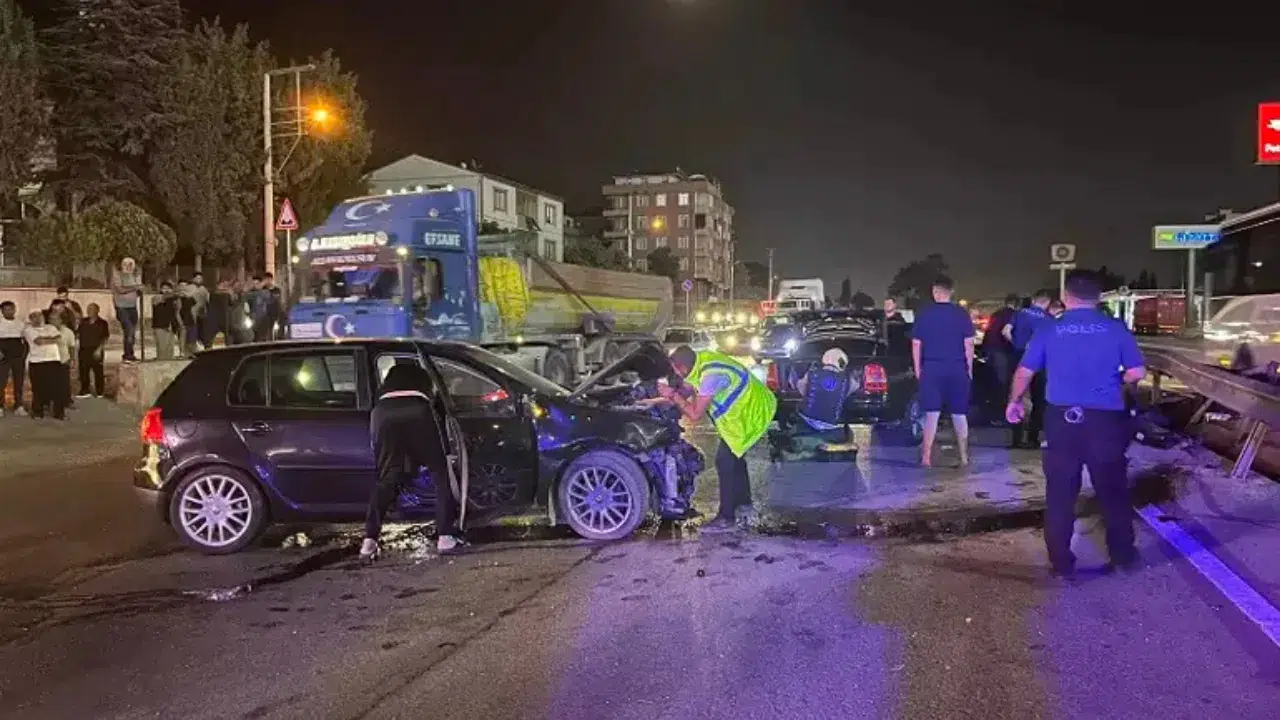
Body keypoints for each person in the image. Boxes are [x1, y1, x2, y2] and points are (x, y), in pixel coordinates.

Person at [1007, 270, 1145, 577]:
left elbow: (1025, 371)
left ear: (1065, 296)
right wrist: (1118, 380)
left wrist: (1014, 401)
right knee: (1112, 490)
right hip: (1105, 420)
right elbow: (1137, 372)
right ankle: (1122, 555)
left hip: (1062, 420)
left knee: (1060, 494)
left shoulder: (1049, 329)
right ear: (1098, 298)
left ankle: (1061, 561)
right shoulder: (1115, 328)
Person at [661, 345, 777, 533]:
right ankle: (744, 504)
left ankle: (726, 518)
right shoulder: (701, 360)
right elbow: (690, 387)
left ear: (682, 367)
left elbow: (695, 413)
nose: (675, 374)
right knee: (735, 457)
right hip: (751, 406)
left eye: (675, 370)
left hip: (751, 414)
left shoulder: (711, 377)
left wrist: (673, 395)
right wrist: (670, 396)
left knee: (724, 462)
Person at [361, 364, 464, 560]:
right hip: (418, 412)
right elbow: (441, 411)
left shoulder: (385, 389)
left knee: (386, 480)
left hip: (382, 414)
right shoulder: (423, 383)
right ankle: (445, 536)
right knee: (440, 475)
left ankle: (369, 539)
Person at [910, 275, 975, 467]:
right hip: (957, 367)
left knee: (931, 414)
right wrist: (969, 369)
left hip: (932, 368)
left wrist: (918, 369)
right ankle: (964, 457)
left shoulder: (925, 314)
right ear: (951, 292)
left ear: (934, 292)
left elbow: (916, 344)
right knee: (959, 414)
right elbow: (969, 344)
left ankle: (926, 458)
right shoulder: (961, 314)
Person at [1004, 289, 1054, 448]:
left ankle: (1016, 439)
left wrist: (1016, 344)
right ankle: (1033, 438)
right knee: (1039, 400)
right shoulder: (1048, 319)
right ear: (1047, 303)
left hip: (1018, 357)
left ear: (1033, 300)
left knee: (1016, 396)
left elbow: (1005, 331)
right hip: (1040, 362)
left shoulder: (1019, 314)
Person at [24, 310, 65, 420]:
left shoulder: (51, 327)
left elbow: (58, 339)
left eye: (39, 316)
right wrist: (51, 339)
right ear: (31, 319)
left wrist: (46, 339)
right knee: (38, 388)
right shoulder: (29, 330)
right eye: (34, 316)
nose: (37, 318)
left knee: (57, 388)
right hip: (37, 362)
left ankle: (59, 413)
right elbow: (39, 342)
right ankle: (38, 412)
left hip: (53, 360)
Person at [983, 294, 1021, 411]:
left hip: (990, 349)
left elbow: (988, 331)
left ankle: (990, 404)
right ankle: (1001, 409)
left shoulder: (996, 314)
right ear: (1017, 304)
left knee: (993, 377)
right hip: (1003, 351)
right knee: (1004, 380)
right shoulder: (1015, 315)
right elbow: (1010, 333)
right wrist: (1016, 344)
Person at [111, 257, 142, 363]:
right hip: (121, 307)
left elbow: (138, 291)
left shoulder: (135, 277)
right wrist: (135, 287)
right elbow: (120, 290)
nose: (128, 267)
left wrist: (140, 290)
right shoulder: (117, 276)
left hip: (132, 307)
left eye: (131, 264)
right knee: (128, 329)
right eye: (126, 264)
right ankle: (127, 355)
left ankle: (130, 354)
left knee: (132, 332)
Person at [76, 303, 109, 398]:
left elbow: (105, 337)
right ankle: (85, 390)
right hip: (83, 349)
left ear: (97, 311)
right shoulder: (83, 322)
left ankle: (100, 392)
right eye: (88, 309)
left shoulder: (102, 323)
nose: (89, 311)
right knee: (83, 371)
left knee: (98, 371)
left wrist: (99, 349)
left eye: (91, 309)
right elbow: (78, 334)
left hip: (96, 349)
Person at [0, 300, 27, 417]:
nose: (9, 312)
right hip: (3, 354)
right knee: (1, 381)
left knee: (19, 380)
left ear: (14, 310)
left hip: (17, 353)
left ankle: (19, 405)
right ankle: (0, 406)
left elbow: (25, 339)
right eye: (6, 310)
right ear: (2, 312)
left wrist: (24, 354)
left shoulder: (21, 323)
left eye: (10, 309)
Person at [50, 310, 76, 410]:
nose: (52, 321)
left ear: (61, 320)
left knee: (64, 383)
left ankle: (67, 401)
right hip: (49, 360)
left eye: (55, 319)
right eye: (51, 319)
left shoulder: (68, 332)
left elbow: (72, 347)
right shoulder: (47, 330)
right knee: (50, 382)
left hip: (63, 359)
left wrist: (72, 359)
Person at [151, 281, 182, 360]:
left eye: (168, 288)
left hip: (171, 325)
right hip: (160, 326)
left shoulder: (173, 300)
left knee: (170, 348)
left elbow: (177, 310)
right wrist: (176, 293)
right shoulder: (156, 297)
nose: (166, 290)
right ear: (160, 289)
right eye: (164, 288)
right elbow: (164, 297)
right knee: (162, 348)